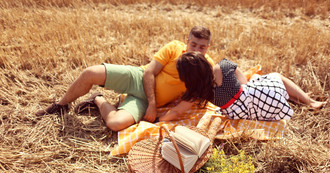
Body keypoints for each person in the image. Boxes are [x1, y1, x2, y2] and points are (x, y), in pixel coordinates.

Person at [36, 26, 215, 131]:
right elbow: (148, 73)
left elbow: (204, 90)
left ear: (208, 47)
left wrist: (153, 111)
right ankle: (60, 105)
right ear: (187, 41)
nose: (196, 50)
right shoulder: (174, 48)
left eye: (202, 47)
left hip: (142, 101)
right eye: (193, 44)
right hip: (138, 78)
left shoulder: (205, 68)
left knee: (114, 124)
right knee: (90, 72)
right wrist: (153, 105)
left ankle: (97, 99)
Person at [159, 52, 327, 122]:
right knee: (275, 76)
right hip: (262, 101)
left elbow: (176, 111)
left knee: (257, 78)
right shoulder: (222, 66)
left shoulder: (197, 92)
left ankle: (295, 97)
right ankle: (309, 101)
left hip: (240, 114)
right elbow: (243, 83)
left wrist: (159, 120)